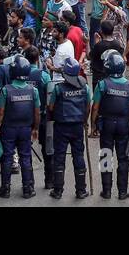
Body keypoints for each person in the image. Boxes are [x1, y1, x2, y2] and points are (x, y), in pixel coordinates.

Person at [0, 54, 41, 198]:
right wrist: (35, 128)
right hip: (26, 129)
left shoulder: (6, 90)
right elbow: (37, 112)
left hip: (8, 129)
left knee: (7, 158)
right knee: (25, 157)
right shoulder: (33, 90)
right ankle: (28, 189)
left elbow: (0, 112)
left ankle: (5, 188)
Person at [90, 49, 129, 200]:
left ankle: (107, 190)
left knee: (105, 156)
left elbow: (95, 107)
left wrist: (93, 125)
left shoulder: (102, 84)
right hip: (123, 125)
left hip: (107, 125)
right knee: (123, 158)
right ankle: (122, 191)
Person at [48, 56, 90, 199]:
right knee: (78, 156)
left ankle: (58, 190)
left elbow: (51, 107)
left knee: (59, 158)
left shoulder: (58, 89)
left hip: (61, 127)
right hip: (78, 126)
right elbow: (88, 106)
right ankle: (81, 190)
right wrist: (85, 121)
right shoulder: (85, 87)